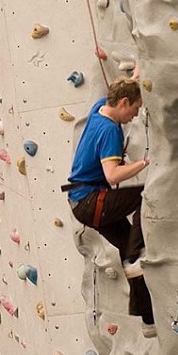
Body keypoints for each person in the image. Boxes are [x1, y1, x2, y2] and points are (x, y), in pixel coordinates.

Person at [64, 78, 155, 336]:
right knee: (145, 194)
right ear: (124, 103)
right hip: (91, 201)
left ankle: (148, 320)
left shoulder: (99, 109)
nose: (135, 114)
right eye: (134, 108)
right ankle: (137, 253)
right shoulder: (110, 130)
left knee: (128, 253)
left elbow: (119, 89)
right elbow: (113, 175)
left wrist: (136, 77)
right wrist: (144, 163)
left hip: (82, 201)